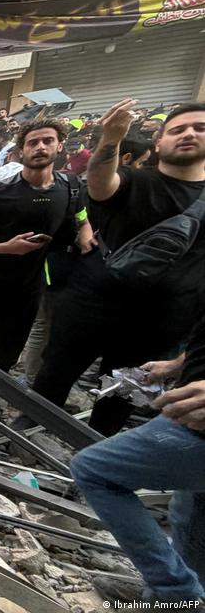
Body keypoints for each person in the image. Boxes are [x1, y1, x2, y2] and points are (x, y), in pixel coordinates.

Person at [29, 100, 205, 436]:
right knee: (57, 369)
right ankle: (30, 426)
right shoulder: (135, 181)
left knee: (124, 390)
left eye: (199, 128)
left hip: (163, 319)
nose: (189, 134)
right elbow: (99, 183)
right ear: (159, 143)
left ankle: (96, 441)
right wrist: (110, 140)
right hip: (93, 301)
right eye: (178, 129)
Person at [0, 119, 95, 405]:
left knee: (10, 347)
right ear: (21, 150)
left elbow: (83, 220)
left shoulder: (71, 188)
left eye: (47, 141)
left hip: (31, 284)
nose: (40, 147)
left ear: (59, 146)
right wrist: (5, 248)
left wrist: (85, 236)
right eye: (33, 142)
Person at [70, 311, 205, 606]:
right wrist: (177, 364)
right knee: (193, 513)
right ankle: (174, 598)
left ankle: (176, 593)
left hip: (197, 425)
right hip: (193, 414)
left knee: (94, 470)